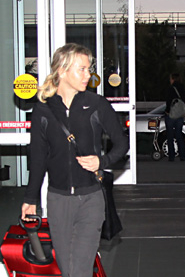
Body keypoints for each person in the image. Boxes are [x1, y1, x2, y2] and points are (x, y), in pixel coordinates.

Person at [21, 43, 129, 277]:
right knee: (66, 267)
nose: (88, 75)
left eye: (88, 69)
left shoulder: (96, 104)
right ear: (62, 70)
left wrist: (102, 161)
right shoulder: (43, 109)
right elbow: (39, 158)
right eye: (82, 69)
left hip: (91, 198)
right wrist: (30, 199)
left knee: (79, 269)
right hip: (58, 200)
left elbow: (122, 144)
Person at [165, 73, 185, 161]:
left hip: (171, 115)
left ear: (172, 79)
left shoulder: (171, 89)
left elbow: (168, 101)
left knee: (170, 135)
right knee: (179, 135)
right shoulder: (182, 88)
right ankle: (182, 155)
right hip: (180, 115)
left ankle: (171, 156)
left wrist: (167, 111)